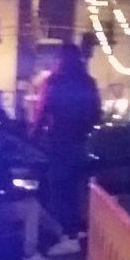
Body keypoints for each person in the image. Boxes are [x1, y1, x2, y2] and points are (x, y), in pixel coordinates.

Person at [34, 45, 101, 246]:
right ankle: (75, 229)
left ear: (60, 59)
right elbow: (96, 112)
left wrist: (34, 136)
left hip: (58, 140)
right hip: (80, 141)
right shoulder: (87, 83)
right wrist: (85, 128)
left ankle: (60, 232)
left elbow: (42, 111)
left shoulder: (53, 82)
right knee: (76, 188)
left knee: (57, 187)